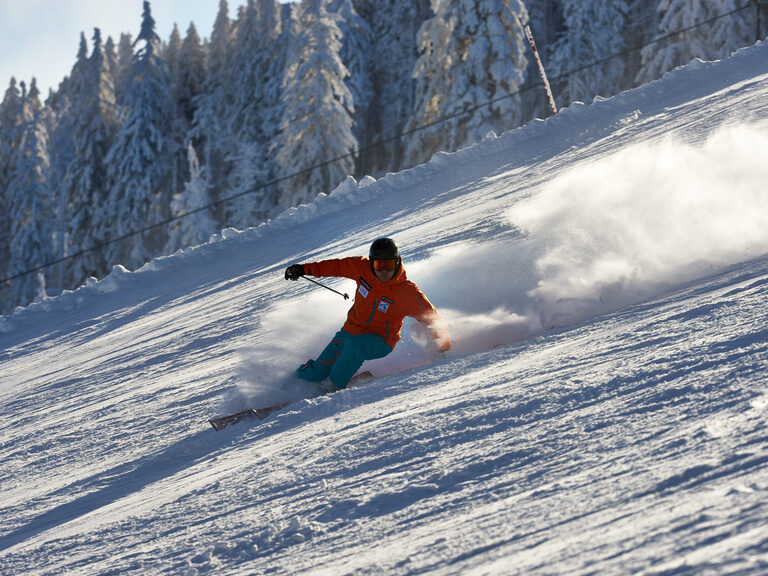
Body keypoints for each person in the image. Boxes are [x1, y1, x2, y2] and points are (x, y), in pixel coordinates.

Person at [284, 237, 451, 394]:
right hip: (350, 330)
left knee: (354, 347)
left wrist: (442, 346)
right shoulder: (361, 268)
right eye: (379, 265)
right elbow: (336, 266)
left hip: (382, 340)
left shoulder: (406, 292)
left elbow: (432, 318)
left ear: (397, 262)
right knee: (318, 371)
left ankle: (333, 385)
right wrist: (303, 269)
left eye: (389, 265)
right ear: (372, 264)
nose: (384, 271)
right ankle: (292, 383)